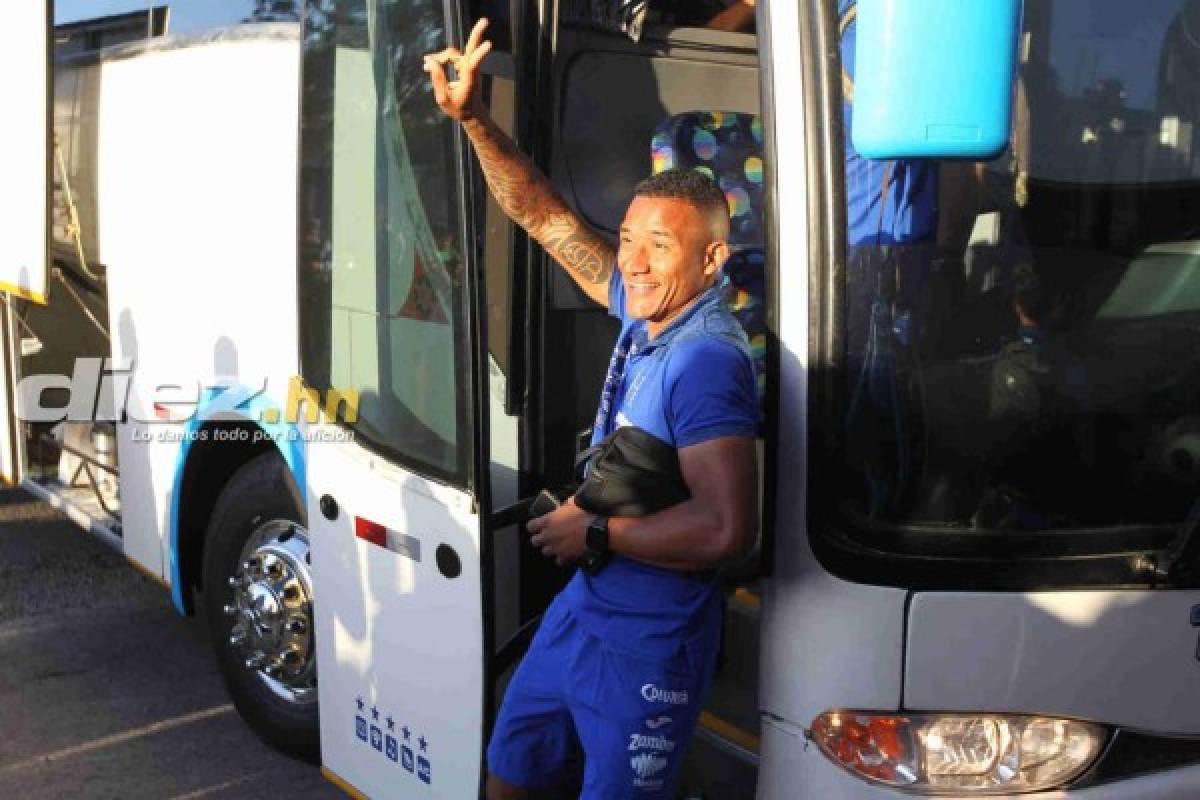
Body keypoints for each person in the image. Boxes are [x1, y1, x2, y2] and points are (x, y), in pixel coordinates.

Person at [425, 18, 759, 799]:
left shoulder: (705, 360)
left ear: (712, 259)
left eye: (661, 246)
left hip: (650, 642)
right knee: (510, 765)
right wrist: (475, 118)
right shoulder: (644, 307)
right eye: (631, 237)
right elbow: (542, 217)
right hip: (586, 611)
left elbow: (726, 530)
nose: (634, 261)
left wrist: (595, 529)